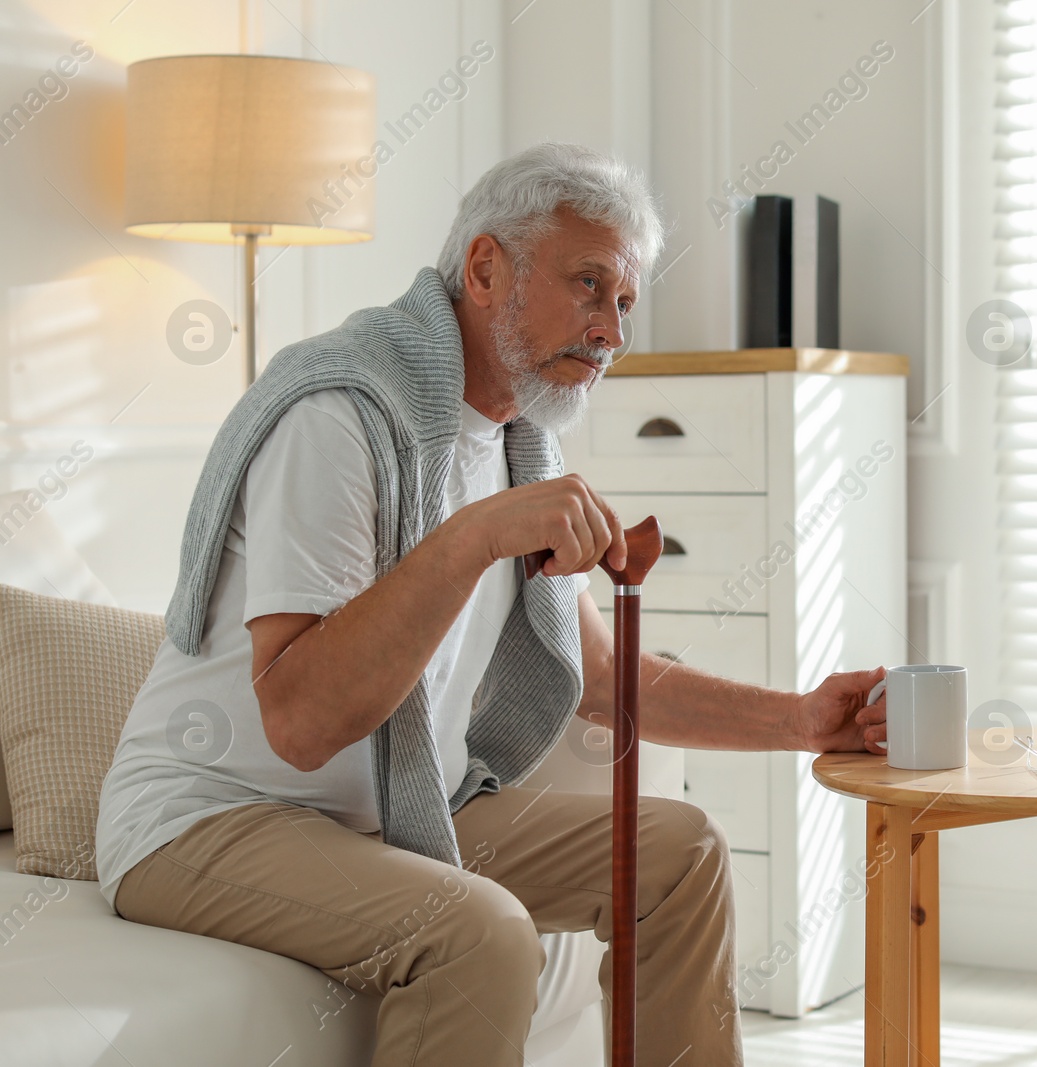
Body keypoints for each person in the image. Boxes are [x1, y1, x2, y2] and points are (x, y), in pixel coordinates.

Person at [94, 142, 889, 1067]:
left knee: (683, 852)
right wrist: (474, 537)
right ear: (483, 269)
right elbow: (303, 722)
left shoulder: (521, 441)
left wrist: (800, 720)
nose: (611, 332)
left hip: (398, 807)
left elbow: (597, 674)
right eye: (589, 284)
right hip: (212, 818)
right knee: (481, 931)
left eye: (624, 301)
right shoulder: (340, 413)